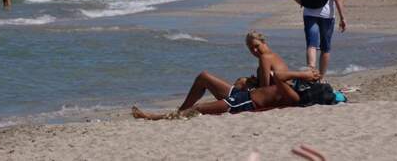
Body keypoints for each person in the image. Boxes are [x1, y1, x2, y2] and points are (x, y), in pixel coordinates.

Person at [132, 68, 321, 120]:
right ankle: (180, 110)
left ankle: (153, 117)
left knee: (198, 109)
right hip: (243, 94)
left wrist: (303, 73)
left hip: (243, 104)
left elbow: (277, 75)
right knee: (203, 77)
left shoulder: (295, 97)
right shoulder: (294, 87)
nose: (306, 82)